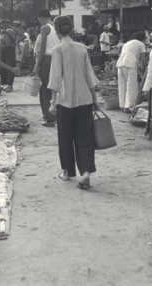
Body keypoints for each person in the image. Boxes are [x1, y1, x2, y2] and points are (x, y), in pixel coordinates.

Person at [48, 15, 100, 190]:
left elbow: (55, 77)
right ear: (71, 28)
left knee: (65, 138)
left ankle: (67, 172)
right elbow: (89, 76)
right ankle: (86, 172)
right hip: (85, 100)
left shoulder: (58, 49)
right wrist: (94, 99)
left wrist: (53, 103)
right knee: (85, 138)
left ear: (56, 30)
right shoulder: (82, 48)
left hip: (65, 102)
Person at [33, 9, 61, 127]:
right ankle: (56, 115)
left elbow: (42, 49)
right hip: (56, 58)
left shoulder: (44, 28)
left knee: (44, 89)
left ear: (42, 18)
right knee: (54, 88)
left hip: (46, 59)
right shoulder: (56, 28)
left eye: (39, 19)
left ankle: (49, 118)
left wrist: (37, 65)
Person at [116, 31, 147, 113]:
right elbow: (143, 60)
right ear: (143, 39)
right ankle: (129, 106)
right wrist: (144, 69)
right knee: (131, 85)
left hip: (120, 63)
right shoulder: (141, 44)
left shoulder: (127, 43)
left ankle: (123, 105)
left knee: (123, 84)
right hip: (130, 64)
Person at [0, 19, 18, 92]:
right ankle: (6, 84)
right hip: (4, 48)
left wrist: (15, 43)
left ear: (7, 23)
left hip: (9, 48)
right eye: (1, 23)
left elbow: (16, 37)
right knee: (3, 66)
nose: (2, 25)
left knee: (10, 66)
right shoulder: (3, 31)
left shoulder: (11, 30)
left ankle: (10, 85)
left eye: (3, 23)